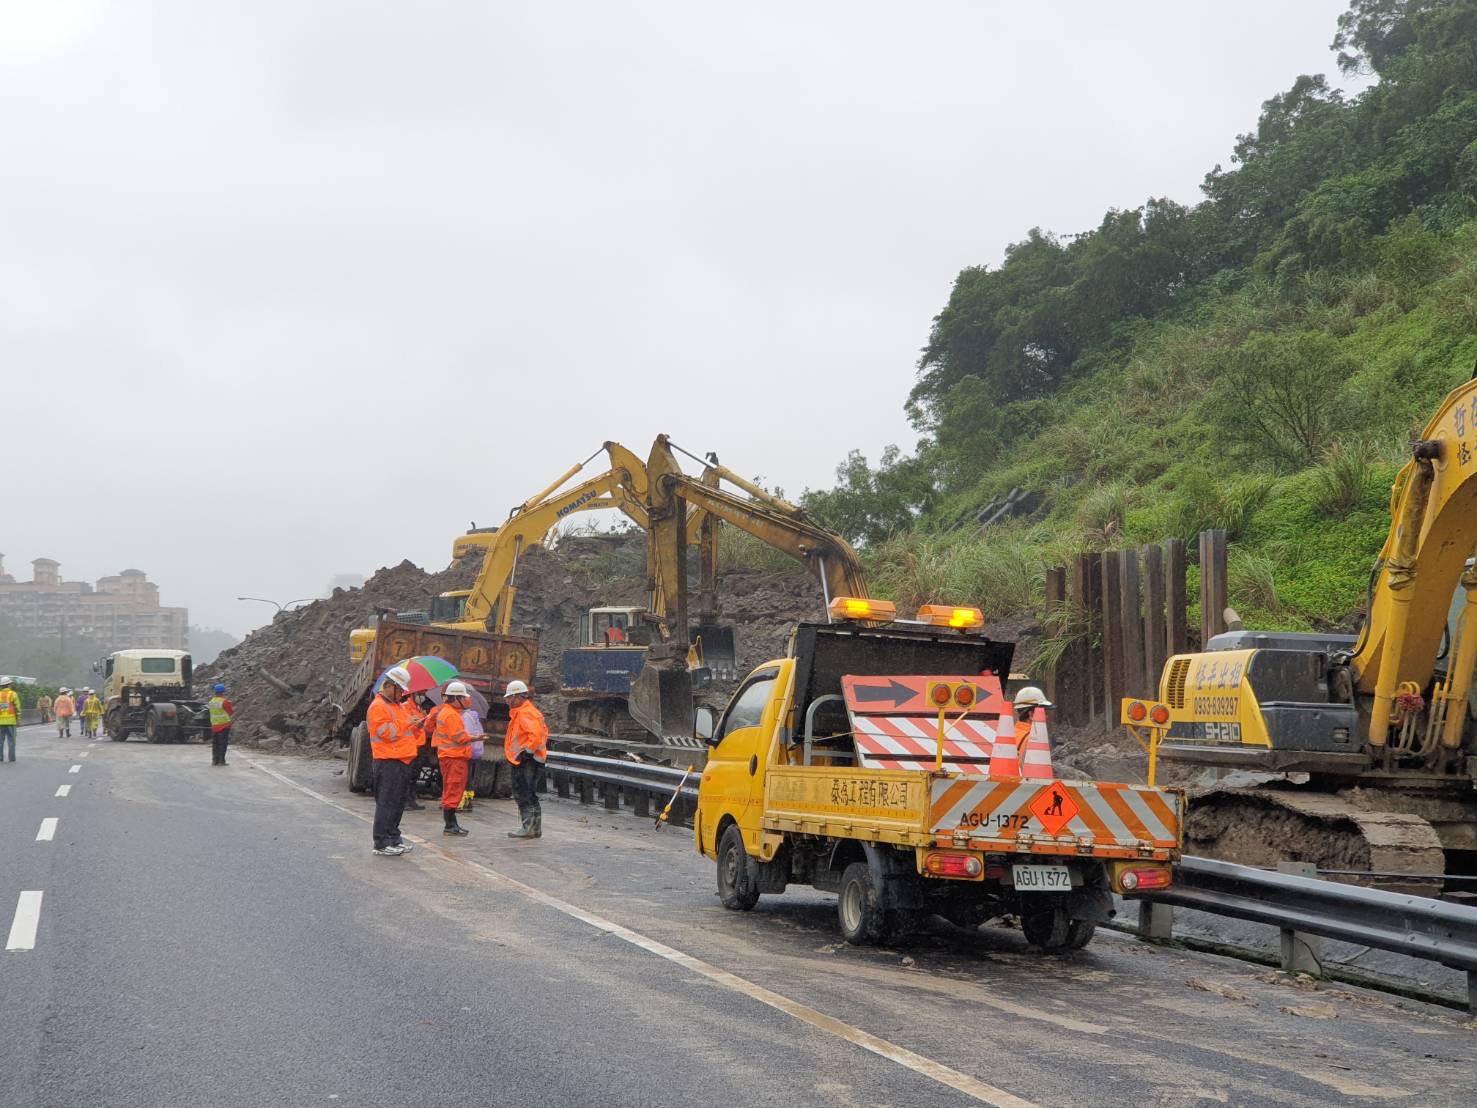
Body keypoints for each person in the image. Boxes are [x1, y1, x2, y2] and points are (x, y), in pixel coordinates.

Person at [367, 666, 423, 857]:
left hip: (401, 761)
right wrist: (408, 723)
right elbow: (385, 733)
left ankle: (393, 837)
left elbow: (405, 733)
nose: (401, 694)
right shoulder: (378, 707)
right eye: (399, 690)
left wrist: (416, 725)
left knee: (397, 803)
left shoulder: (397, 707)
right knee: (386, 803)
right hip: (388, 761)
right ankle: (381, 842)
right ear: (389, 686)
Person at [503, 679, 548, 839]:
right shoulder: (527, 712)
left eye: (509, 697)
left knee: (523, 794)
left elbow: (535, 735)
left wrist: (527, 753)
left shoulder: (525, 712)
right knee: (530, 794)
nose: (507, 700)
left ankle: (527, 828)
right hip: (532, 759)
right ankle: (534, 828)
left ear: (517, 697)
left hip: (527, 760)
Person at [430, 681, 477, 836]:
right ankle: (450, 825)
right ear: (455, 698)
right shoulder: (451, 715)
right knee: (453, 789)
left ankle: (452, 823)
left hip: (451, 757)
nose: (466, 701)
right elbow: (459, 737)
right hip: (454, 758)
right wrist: (475, 737)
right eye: (463, 698)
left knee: (451, 789)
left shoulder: (447, 712)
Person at [208, 683, 234, 766]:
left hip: (214, 725)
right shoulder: (224, 702)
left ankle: (214, 760)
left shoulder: (211, 701)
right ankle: (221, 761)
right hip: (224, 726)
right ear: (223, 692)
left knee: (215, 744)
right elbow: (230, 712)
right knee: (222, 744)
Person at [0, 677, 20, 763]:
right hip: (11, 721)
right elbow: (18, 708)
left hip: (0, 722)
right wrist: (18, 719)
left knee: (0, 741)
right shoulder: (13, 694)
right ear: (8, 684)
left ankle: (0, 757)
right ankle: (11, 758)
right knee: (11, 740)